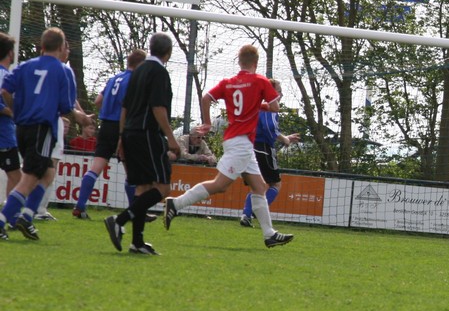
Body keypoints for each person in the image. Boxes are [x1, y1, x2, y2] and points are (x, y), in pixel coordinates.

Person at [163, 44, 293, 249]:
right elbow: (274, 107)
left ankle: (269, 234)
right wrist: (259, 103)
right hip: (241, 142)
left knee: (259, 187)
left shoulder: (228, 83)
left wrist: (207, 123)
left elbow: (206, 98)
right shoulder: (260, 81)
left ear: (239, 62)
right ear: (256, 62)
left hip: (238, 140)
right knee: (220, 185)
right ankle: (176, 203)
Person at [0, 27, 88, 240]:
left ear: (42, 45)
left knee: (47, 172)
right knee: (29, 178)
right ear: (61, 46)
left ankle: (27, 217)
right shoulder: (63, 71)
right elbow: (66, 106)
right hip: (42, 128)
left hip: (21, 128)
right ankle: (2, 220)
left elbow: (5, 90)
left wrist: (17, 110)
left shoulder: (25, 66)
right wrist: (80, 117)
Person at [103, 34, 181, 255]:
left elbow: (125, 107)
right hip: (147, 134)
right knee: (163, 187)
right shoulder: (159, 72)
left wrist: (121, 136)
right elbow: (158, 108)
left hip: (130, 133)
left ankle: (137, 242)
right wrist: (171, 138)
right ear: (168, 53)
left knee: (142, 188)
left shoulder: (137, 71)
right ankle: (119, 220)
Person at [72, 49, 147, 220]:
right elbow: (130, 107)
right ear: (140, 65)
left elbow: (98, 101)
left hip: (106, 126)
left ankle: (80, 206)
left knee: (96, 167)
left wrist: (108, 111)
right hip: (122, 127)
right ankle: (135, 212)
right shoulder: (134, 80)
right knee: (131, 172)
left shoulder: (114, 78)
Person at [239, 79, 300, 228]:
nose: (281, 95)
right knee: (275, 184)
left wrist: (284, 137)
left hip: (249, 147)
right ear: (271, 92)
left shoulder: (256, 104)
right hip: (263, 148)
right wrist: (284, 139)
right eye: (279, 91)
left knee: (256, 185)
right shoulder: (269, 107)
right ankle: (257, 210)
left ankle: (246, 215)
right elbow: (268, 127)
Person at [0, 33, 22, 228]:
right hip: (3, 136)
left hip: (6, 134)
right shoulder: (3, 75)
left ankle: (11, 217)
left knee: (14, 175)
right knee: (18, 178)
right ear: (9, 53)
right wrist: (13, 112)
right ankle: (11, 218)